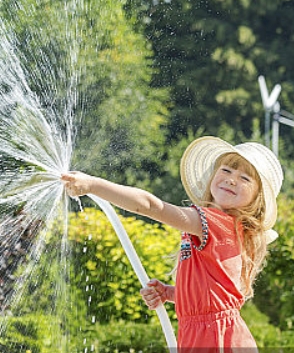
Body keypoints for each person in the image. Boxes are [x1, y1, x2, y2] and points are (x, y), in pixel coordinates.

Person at [61, 136, 283, 352]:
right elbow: (212, 294)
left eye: (245, 178)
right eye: (226, 170)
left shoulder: (217, 224)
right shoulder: (222, 229)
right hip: (207, 333)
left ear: (256, 199)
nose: (232, 179)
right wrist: (171, 294)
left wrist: (93, 184)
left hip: (216, 337)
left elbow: (150, 206)